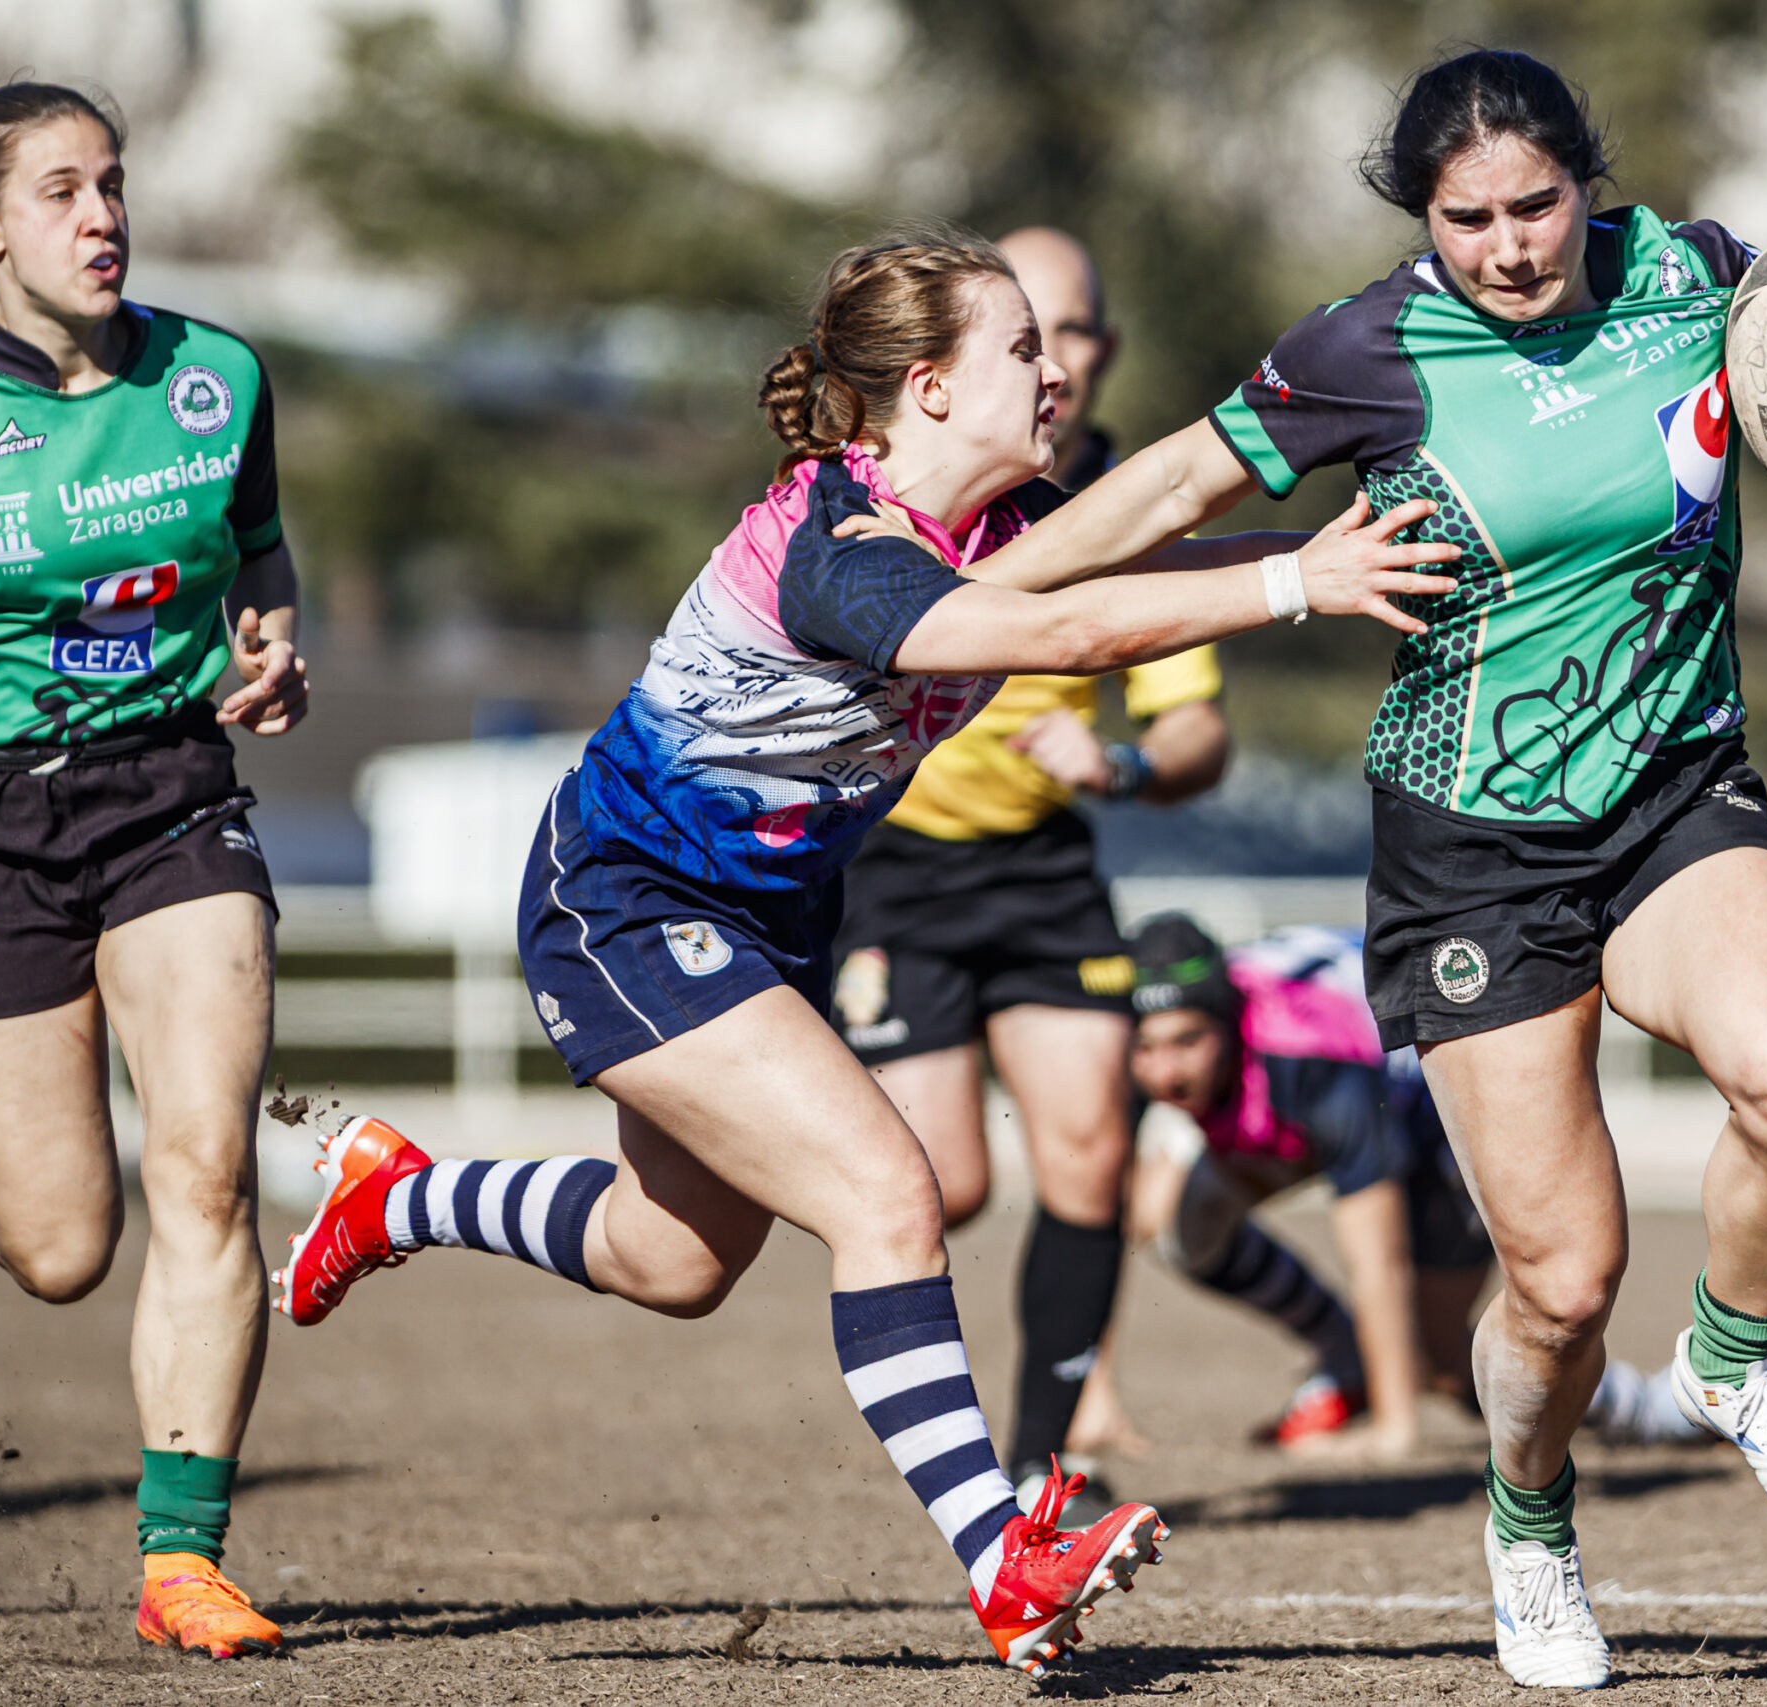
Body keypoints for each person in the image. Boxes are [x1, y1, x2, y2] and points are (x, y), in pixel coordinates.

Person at [269, 227, 1458, 1678]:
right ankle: (1003, 1558)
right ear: (928, 386)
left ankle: (402, 1194)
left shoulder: (983, 518)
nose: (1060, 368)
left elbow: (1147, 520)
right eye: (1026, 346)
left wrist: (1334, 540)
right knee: (891, 1190)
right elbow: (1071, 627)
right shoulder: (845, 548)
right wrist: (1296, 587)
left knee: (673, 1255)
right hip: (628, 894)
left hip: (766, 914)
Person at [959, 50, 1767, 1687]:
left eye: (1537, 206)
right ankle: (1530, 1523)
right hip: (1472, 860)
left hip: (1673, 792)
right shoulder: (1371, 347)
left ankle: (1733, 1359)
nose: (1508, 246)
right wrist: (979, 574)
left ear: (1592, 185)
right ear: (1421, 218)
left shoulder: (1700, 279)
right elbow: (1175, 484)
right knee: (1564, 1285)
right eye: (1467, 219)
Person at [0, 83, 310, 1662]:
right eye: (58, 191)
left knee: (209, 1165)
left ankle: (185, 1555)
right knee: (56, 1247)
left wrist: (271, 640)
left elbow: (256, 548)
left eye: (110, 184)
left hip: (175, 794)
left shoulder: (216, 372)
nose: (102, 214)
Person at [831, 226, 1228, 1519]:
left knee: (1089, 1157)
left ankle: (1036, 1460)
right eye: (1020, 334)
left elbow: (1194, 734)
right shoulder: (889, 489)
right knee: (944, 1183)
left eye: (1065, 333)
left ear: (1102, 351)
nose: (1048, 362)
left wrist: (1113, 760)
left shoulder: (1125, 502)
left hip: (1046, 867)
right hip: (896, 866)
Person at [1121, 915, 1706, 1458]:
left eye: (1187, 1041)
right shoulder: (1129, 1051)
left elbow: (1379, 1257)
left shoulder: (1310, 1053)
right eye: (1147, 1048)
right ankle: (1347, 1354)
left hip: (1434, 1114)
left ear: (1226, 1020)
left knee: (1440, 1362)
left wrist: (1392, 1428)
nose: (1165, 1071)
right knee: (1166, 1221)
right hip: (1319, 1093)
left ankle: (1650, 1411)